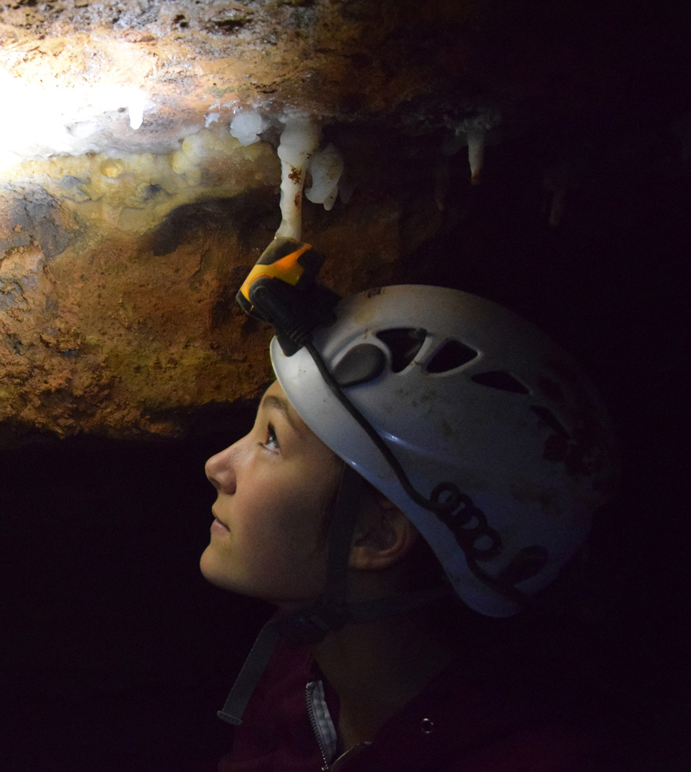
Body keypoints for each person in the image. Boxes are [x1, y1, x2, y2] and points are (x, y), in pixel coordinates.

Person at [200, 241, 620, 771]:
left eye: (272, 440)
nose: (217, 465)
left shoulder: (529, 758)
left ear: (377, 533)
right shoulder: (303, 672)